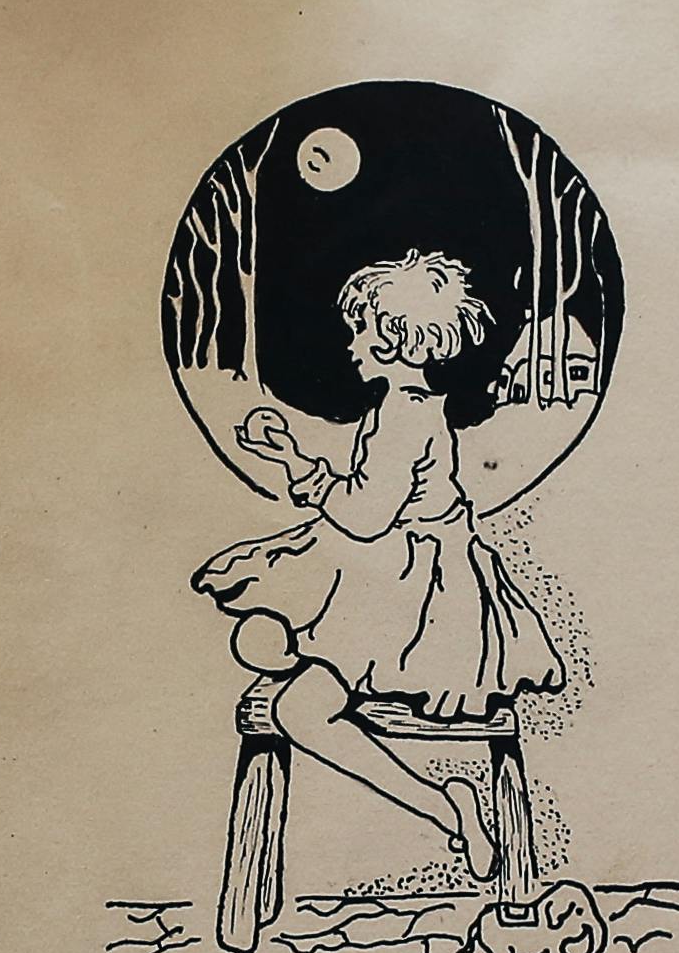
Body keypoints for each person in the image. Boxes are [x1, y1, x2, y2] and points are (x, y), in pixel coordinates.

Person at [202, 250, 564, 879]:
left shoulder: (401, 418)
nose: (352, 343)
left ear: (395, 339)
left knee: (297, 707)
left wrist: (294, 464)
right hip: (400, 585)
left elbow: (363, 517)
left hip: (417, 605)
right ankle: (449, 807)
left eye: (362, 330)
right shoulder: (410, 408)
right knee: (297, 706)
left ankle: (445, 809)